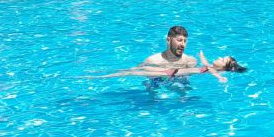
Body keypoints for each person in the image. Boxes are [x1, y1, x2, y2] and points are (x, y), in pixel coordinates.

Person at [99, 52, 247, 84]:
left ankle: (100, 75)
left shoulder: (213, 70)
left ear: (224, 68)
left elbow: (214, 72)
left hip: (171, 74)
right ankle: (103, 74)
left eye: (223, 60)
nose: (219, 57)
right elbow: (205, 62)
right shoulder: (208, 66)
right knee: (133, 71)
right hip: (173, 73)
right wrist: (201, 56)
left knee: (133, 72)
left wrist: (220, 77)